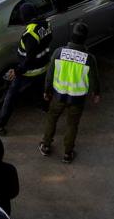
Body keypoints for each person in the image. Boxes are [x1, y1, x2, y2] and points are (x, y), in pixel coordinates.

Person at [0, 3, 52, 134]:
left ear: (25, 17)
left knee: (11, 96)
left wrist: (17, 70)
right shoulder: (46, 23)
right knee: (40, 87)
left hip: (29, 71)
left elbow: (29, 58)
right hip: (43, 66)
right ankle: (43, 106)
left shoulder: (30, 34)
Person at [39, 22, 100, 163]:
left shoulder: (58, 52)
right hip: (77, 99)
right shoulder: (89, 58)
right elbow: (94, 79)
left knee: (52, 118)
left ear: (71, 36)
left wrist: (46, 90)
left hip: (58, 95)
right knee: (72, 125)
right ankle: (67, 153)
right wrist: (96, 93)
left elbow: (50, 75)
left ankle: (46, 145)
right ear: (85, 39)